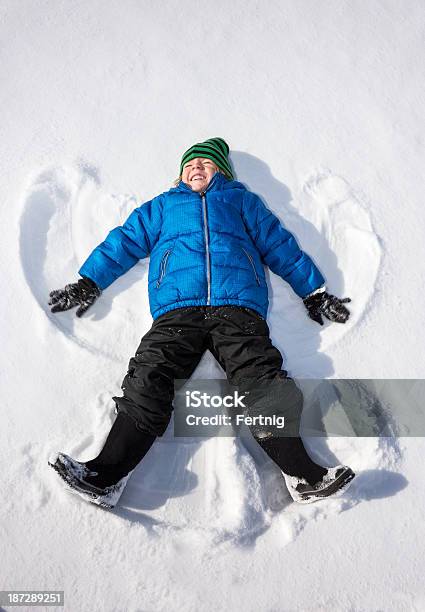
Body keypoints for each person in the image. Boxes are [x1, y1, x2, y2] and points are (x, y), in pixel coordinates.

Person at [48, 137, 355, 509]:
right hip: (178, 309)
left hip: (237, 308)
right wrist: (89, 281)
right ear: (180, 174)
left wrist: (313, 291)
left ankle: (305, 476)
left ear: (221, 171)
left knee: (262, 380)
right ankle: (105, 476)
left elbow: (279, 245)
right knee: (150, 375)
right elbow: (125, 242)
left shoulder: (241, 201)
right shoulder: (163, 206)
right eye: (190, 164)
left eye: (206, 164)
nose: (196, 168)